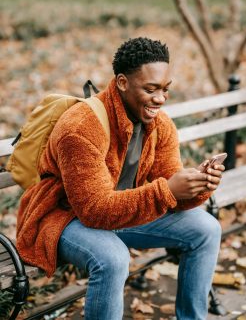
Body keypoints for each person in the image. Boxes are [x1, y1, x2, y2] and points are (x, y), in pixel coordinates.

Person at [17, 37, 224, 320]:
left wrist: (199, 187)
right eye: (150, 89)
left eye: (165, 89)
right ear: (123, 83)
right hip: (66, 217)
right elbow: (93, 211)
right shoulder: (80, 127)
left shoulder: (160, 124)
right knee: (112, 258)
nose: (160, 98)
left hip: (122, 211)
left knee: (206, 228)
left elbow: (170, 192)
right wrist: (167, 190)